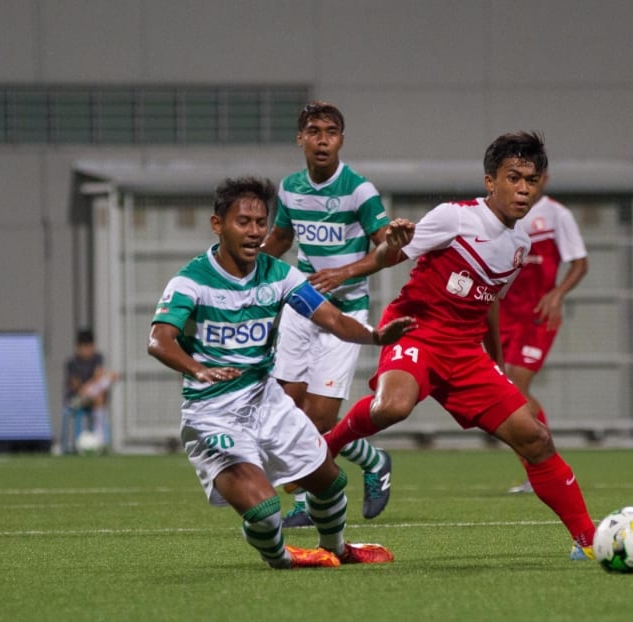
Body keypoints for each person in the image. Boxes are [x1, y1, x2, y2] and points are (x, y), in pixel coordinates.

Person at [324, 131, 598, 560]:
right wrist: (350, 270)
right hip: (415, 328)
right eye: (514, 178)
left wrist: (499, 364)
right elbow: (391, 255)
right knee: (393, 407)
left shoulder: (520, 244)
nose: (523, 188)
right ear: (491, 181)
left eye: (531, 179)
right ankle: (330, 445)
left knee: (536, 437)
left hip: (466, 350)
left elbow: (490, 301)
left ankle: (590, 541)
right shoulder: (453, 217)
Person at [146, 176, 415, 569]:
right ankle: (281, 556)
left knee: (330, 480)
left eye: (261, 223)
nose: (255, 232)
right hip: (213, 413)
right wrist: (197, 369)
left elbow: (333, 320)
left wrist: (375, 336)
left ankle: (339, 548)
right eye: (244, 222)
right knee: (265, 511)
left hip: (265, 400)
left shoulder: (279, 274)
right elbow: (159, 340)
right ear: (217, 224)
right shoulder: (191, 281)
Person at [261, 101, 393, 527]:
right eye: (314, 131)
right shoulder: (290, 187)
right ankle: (360, 469)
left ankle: (342, 479)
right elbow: (280, 239)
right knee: (285, 410)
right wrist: (241, 270)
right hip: (302, 306)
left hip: (346, 314)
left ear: (341, 139)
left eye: (331, 132)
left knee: (318, 418)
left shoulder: (359, 190)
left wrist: (345, 272)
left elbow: (389, 249)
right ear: (300, 138)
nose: (322, 139)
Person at [499, 171, 589, 493]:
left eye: (533, 178)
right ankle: (538, 469)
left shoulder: (556, 214)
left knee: (516, 385)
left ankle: (544, 467)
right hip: (503, 314)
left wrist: (557, 293)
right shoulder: (504, 213)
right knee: (504, 390)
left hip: (537, 316)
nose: (525, 186)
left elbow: (580, 262)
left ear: (545, 180)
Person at [60, 329, 118, 453]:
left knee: (100, 393)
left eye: (89, 347)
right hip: (76, 399)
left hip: (93, 397)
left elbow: (99, 374)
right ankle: (100, 440)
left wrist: (92, 386)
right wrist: (89, 387)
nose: (86, 351)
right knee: (104, 383)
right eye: (84, 347)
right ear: (78, 347)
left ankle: (100, 441)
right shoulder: (72, 362)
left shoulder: (98, 358)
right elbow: (76, 386)